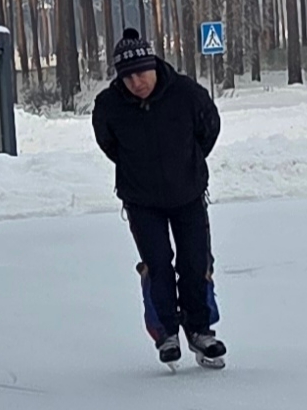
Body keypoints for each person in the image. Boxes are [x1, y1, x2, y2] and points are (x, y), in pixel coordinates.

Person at [92, 28, 225, 368]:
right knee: (159, 265)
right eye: (129, 76)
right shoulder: (109, 106)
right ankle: (166, 333)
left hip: (189, 194)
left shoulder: (186, 93)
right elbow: (109, 145)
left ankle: (201, 331)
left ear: (154, 65)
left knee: (196, 262)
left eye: (142, 72)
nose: (137, 81)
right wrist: (137, 170)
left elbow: (208, 128)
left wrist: (190, 162)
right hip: (142, 200)